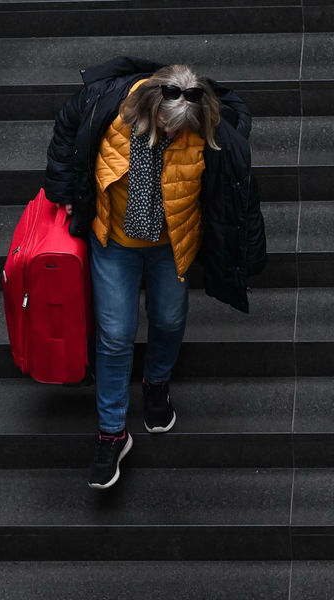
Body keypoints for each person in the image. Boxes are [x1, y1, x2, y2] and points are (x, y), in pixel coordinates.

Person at [44, 57, 267, 490]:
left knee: (168, 319)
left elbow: (236, 178)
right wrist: (64, 191)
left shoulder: (206, 128)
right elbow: (66, 128)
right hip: (113, 242)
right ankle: (112, 433)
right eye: (164, 125)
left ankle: (156, 380)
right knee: (113, 335)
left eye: (179, 129)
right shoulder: (107, 104)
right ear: (147, 105)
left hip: (171, 243)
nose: (170, 134)